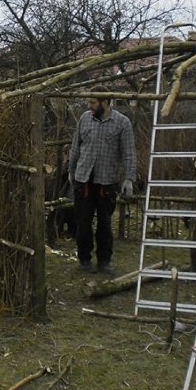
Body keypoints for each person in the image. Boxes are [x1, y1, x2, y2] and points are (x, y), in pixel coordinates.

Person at [67, 86, 136, 274]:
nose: (89, 106)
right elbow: (75, 147)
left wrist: (129, 178)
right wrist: (71, 171)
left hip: (107, 180)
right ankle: (84, 259)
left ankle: (104, 260)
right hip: (84, 178)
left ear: (105, 102)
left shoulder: (122, 123)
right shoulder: (84, 119)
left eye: (93, 102)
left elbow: (129, 153)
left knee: (105, 223)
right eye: (89, 102)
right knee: (83, 221)